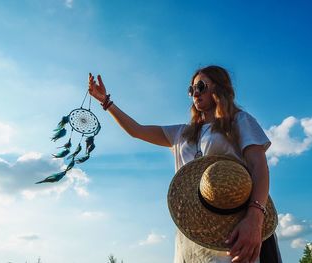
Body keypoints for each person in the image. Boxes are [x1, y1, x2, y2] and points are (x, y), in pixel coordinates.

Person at [88, 65, 282, 263]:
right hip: (191, 234)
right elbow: (136, 130)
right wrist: (106, 102)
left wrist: (255, 219)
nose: (195, 93)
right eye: (191, 89)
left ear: (219, 88)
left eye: (200, 86)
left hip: (234, 230)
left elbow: (259, 167)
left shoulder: (239, 121)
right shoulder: (181, 133)